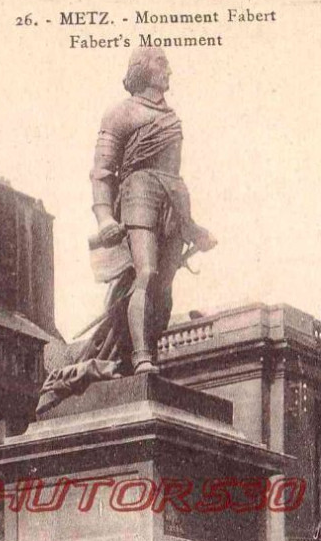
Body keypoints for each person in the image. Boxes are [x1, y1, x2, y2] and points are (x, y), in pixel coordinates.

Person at [37, 48, 216, 413]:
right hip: (138, 193)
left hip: (173, 196)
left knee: (164, 288)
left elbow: (173, 171)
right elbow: (103, 170)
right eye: (161, 64)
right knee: (146, 272)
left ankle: (144, 352)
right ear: (142, 70)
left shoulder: (171, 115)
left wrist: (194, 228)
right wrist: (104, 217)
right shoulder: (120, 113)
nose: (169, 71)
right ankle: (142, 357)